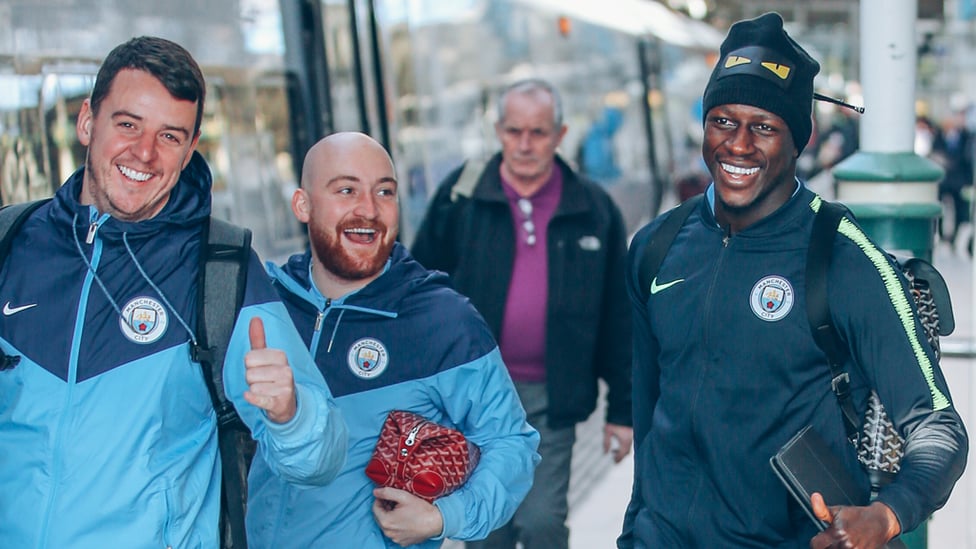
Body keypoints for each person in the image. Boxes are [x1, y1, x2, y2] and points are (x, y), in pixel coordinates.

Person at [620, 12, 968, 548]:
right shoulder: (655, 247)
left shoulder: (844, 257)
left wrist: (886, 516)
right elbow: (648, 417)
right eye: (723, 120)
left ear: (798, 139)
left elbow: (939, 427)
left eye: (763, 127)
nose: (737, 145)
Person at [0, 36, 347, 548]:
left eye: (169, 135)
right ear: (86, 123)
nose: (144, 152)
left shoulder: (220, 267)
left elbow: (321, 461)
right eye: (127, 125)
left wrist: (292, 414)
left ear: (190, 149)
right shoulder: (12, 243)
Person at [246, 131, 540, 548]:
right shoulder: (267, 308)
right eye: (346, 190)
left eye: (384, 192)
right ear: (303, 205)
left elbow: (512, 442)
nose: (368, 210)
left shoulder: (442, 319)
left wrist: (444, 517)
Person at [411, 78, 633, 549]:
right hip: (475, 395)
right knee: (489, 529)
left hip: (553, 394)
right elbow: (419, 290)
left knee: (542, 523)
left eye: (538, 132)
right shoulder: (462, 197)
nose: (526, 144)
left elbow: (619, 315)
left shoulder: (593, 208)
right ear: (498, 131)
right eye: (515, 131)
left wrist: (622, 410)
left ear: (561, 133)